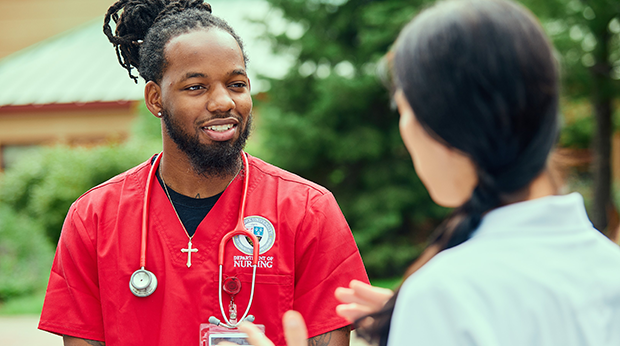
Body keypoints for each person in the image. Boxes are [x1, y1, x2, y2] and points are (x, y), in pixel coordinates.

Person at [235, 0, 620, 345]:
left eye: (404, 109)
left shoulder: (446, 295)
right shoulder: (607, 268)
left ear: (443, 125)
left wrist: (429, 318)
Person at [37, 1, 368, 345]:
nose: (224, 101)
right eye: (196, 87)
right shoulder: (94, 218)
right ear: (155, 99)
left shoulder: (307, 211)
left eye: (237, 84)